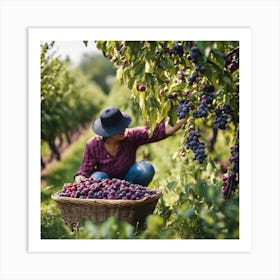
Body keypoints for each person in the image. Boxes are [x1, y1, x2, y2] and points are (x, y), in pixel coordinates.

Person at [74, 106, 186, 186]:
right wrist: (79, 178)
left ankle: (129, 199)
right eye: (118, 129)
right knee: (97, 178)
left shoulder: (131, 136)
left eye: (123, 126)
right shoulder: (93, 145)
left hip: (129, 182)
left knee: (146, 169)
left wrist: (184, 115)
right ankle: (106, 204)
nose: (123, 129)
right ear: (108, 133)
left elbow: (161, 131)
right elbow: (85, 171)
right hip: (105, 186)